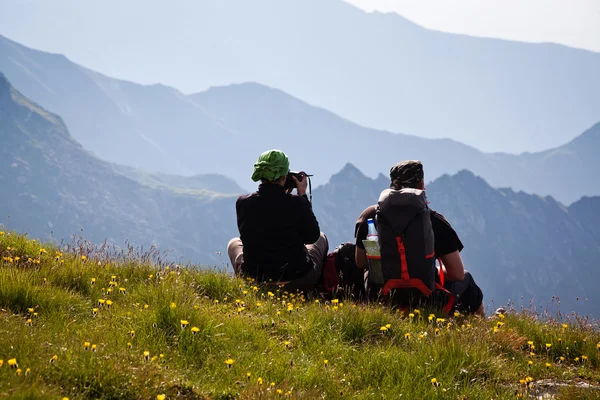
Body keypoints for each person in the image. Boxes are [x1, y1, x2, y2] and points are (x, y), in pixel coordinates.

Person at [354, 160, 484, 316]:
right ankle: (482, 329)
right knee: (467, 281)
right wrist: (428, 271)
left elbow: (360, 262)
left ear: (392, 186)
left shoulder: (370, 216)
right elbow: (457, 273)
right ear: (421, 184)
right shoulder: (434, 220)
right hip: (425, 300)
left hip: (382, 298)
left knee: (364, 269)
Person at [227, 149, 328, 294]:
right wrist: (302, 195)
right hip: (297, 281)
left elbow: (258, 232)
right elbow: (311, 236)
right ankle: (315, 293)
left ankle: (250, 288)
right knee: (321, 238)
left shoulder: (243, 203)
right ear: (284, 176)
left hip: (256, 280)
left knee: (233, 244)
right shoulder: (297, 204)